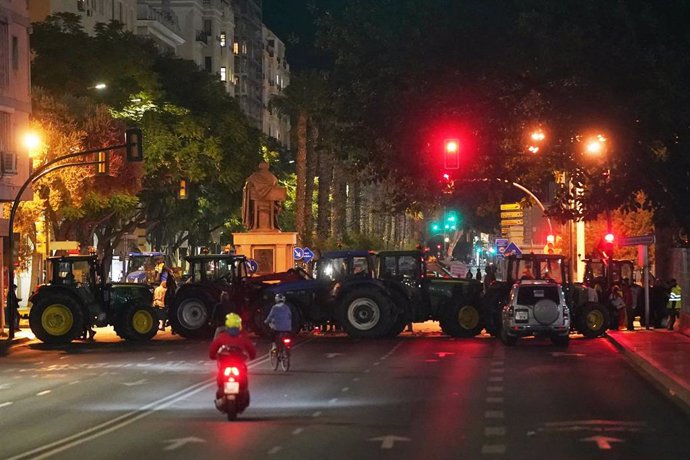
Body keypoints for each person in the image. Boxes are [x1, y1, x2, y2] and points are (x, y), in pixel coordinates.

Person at [209, 313, 256, 407]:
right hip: (238, 368)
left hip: (226, 368)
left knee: (221, 380)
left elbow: (212, 349)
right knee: (243, 380)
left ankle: (222, 400)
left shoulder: (222, 337)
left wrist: (213, 356)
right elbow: (251, 349)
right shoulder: (242, 337)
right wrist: (252, 356)